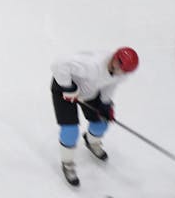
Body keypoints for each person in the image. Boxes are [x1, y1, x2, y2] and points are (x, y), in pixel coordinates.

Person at [50, 47, 139, 187]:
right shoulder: (92, 65)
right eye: (122, 68)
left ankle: (92, 141)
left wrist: (105, 104)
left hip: (89, 92)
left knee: (101, 123)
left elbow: (110, 85)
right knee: (70, 131)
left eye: (126, 71)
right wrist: (67, 87)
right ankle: (67, 163)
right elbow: (58, 64)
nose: (122, 73)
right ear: (115, 59)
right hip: (64, 90)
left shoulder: (121, 73)